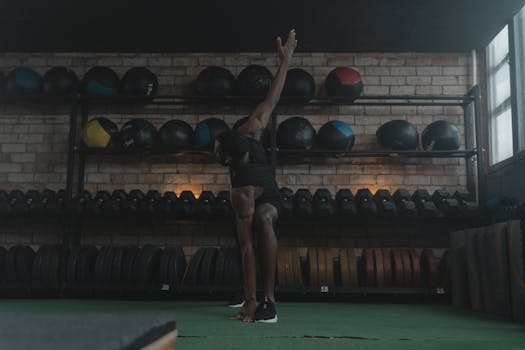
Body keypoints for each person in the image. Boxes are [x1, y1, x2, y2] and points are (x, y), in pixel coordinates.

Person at [214, 29, 297, 323]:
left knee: (262, 220)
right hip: (252, 195)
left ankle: (268, 301)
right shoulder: (248, 132)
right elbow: (271, 99)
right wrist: (285, 61)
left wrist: (254, 303)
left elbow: (250, 247)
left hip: (270, 197)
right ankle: (246, 292)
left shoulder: (242, 188)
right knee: (239, 238)